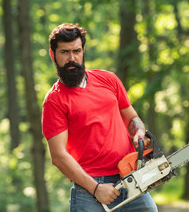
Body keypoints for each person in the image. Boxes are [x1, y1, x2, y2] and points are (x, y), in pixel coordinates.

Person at [42, 23, 158, 212]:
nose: (72, 58)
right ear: (52, 54)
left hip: (130, 177)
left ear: (83, 51)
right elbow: (58, 156)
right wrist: (95, 189)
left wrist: (139, 132)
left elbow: (131, 118)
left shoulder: (108, 80)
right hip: (89, 190)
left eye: (76, 51)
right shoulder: (54, 101)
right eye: (64, 52)